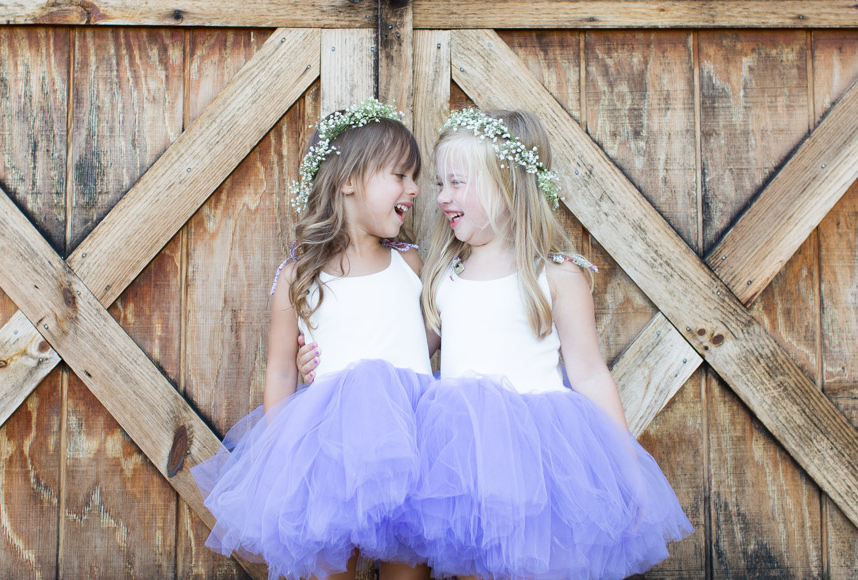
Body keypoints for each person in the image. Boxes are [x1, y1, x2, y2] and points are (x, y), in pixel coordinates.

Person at [300, 108, 693, 580]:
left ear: (507, 186)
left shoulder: (557, 274)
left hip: (537, 456)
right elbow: (405, 348)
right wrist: (324, 358)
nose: (441, 197)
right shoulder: (446, 275)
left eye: (456, 183)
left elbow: (590, 373)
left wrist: (627, 473)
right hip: (461, 460)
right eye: (440, 183)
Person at [191, 98, 434, 580]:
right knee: (329, 565)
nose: (415, 189)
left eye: (415, 177)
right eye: (400, 176)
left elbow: (426, 343)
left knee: (410, 565)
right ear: (347, 181)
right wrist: (284, 460)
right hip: (328, 451)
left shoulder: (411, 265)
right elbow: (281, 370)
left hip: (412, 442)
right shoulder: (300, 276)